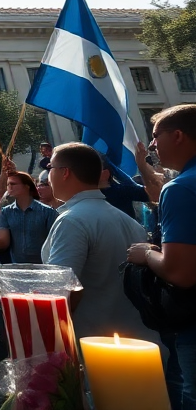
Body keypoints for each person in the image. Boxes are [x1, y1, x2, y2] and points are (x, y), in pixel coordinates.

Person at [40, 143, 155, 341]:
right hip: (136, 339)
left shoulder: (72, 221)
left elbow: (60, 290)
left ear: (65, 172)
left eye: (50, 168)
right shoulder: (129, 222)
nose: (47, 176)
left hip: (93, 342)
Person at [128, 104, 196, 410]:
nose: (152, 145)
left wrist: (146, 254)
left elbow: (181, 273)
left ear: (178, 135)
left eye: (156, 136)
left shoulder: (180, 188)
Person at [0, 170, 57, 264]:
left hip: (43, 266)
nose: (9, 187)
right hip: (16, 266)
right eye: (8, 184)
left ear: (27, 186)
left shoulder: (47, 212)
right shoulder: (6, 212)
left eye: (13, 184)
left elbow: (54, 242)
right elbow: (3, 241)